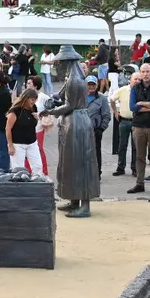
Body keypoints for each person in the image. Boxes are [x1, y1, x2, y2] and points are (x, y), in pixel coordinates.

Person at [43, 46, 98, 218]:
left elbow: (70, 106)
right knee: (71, 162)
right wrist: (54, 101)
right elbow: (63, 98)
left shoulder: (75, 80)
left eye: (61, 61)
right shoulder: (72, 78)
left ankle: (84, 206)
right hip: (72, 122)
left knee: (81, 162)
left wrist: (51, 112)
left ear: (68, 62)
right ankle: (74, 200)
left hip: (76, 122)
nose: (58, 64)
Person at [128, 63, 150, 195]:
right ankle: (139, 183)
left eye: (147, 71)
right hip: (138, 126)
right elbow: (132, 107)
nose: (145, 74)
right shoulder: (135, 88)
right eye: (143, 71)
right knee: (139, 157)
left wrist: (141, 104)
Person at [5, 88, 42, 176]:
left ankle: (36, 180)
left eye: (35, 100)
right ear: (26, 98)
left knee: (37, 166)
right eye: (32, 100)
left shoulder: (33, 108)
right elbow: (8, 128)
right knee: (18, 170)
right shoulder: (15, 111)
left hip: (32, 142)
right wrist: (10, 145)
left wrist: (37, 118)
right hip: (18, 144)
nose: (33, 102)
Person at [111, 72, 137, 177]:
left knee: (136, 146)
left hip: (136, 121)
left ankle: (135, 168)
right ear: (130, 80)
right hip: (124, 120)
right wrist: (115, 111)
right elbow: (112, 99)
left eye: (139, 79)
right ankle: (120, 167)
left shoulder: (141, 90)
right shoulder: (123, 90)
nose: (137, 81)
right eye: (135, 79)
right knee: (122, 145)